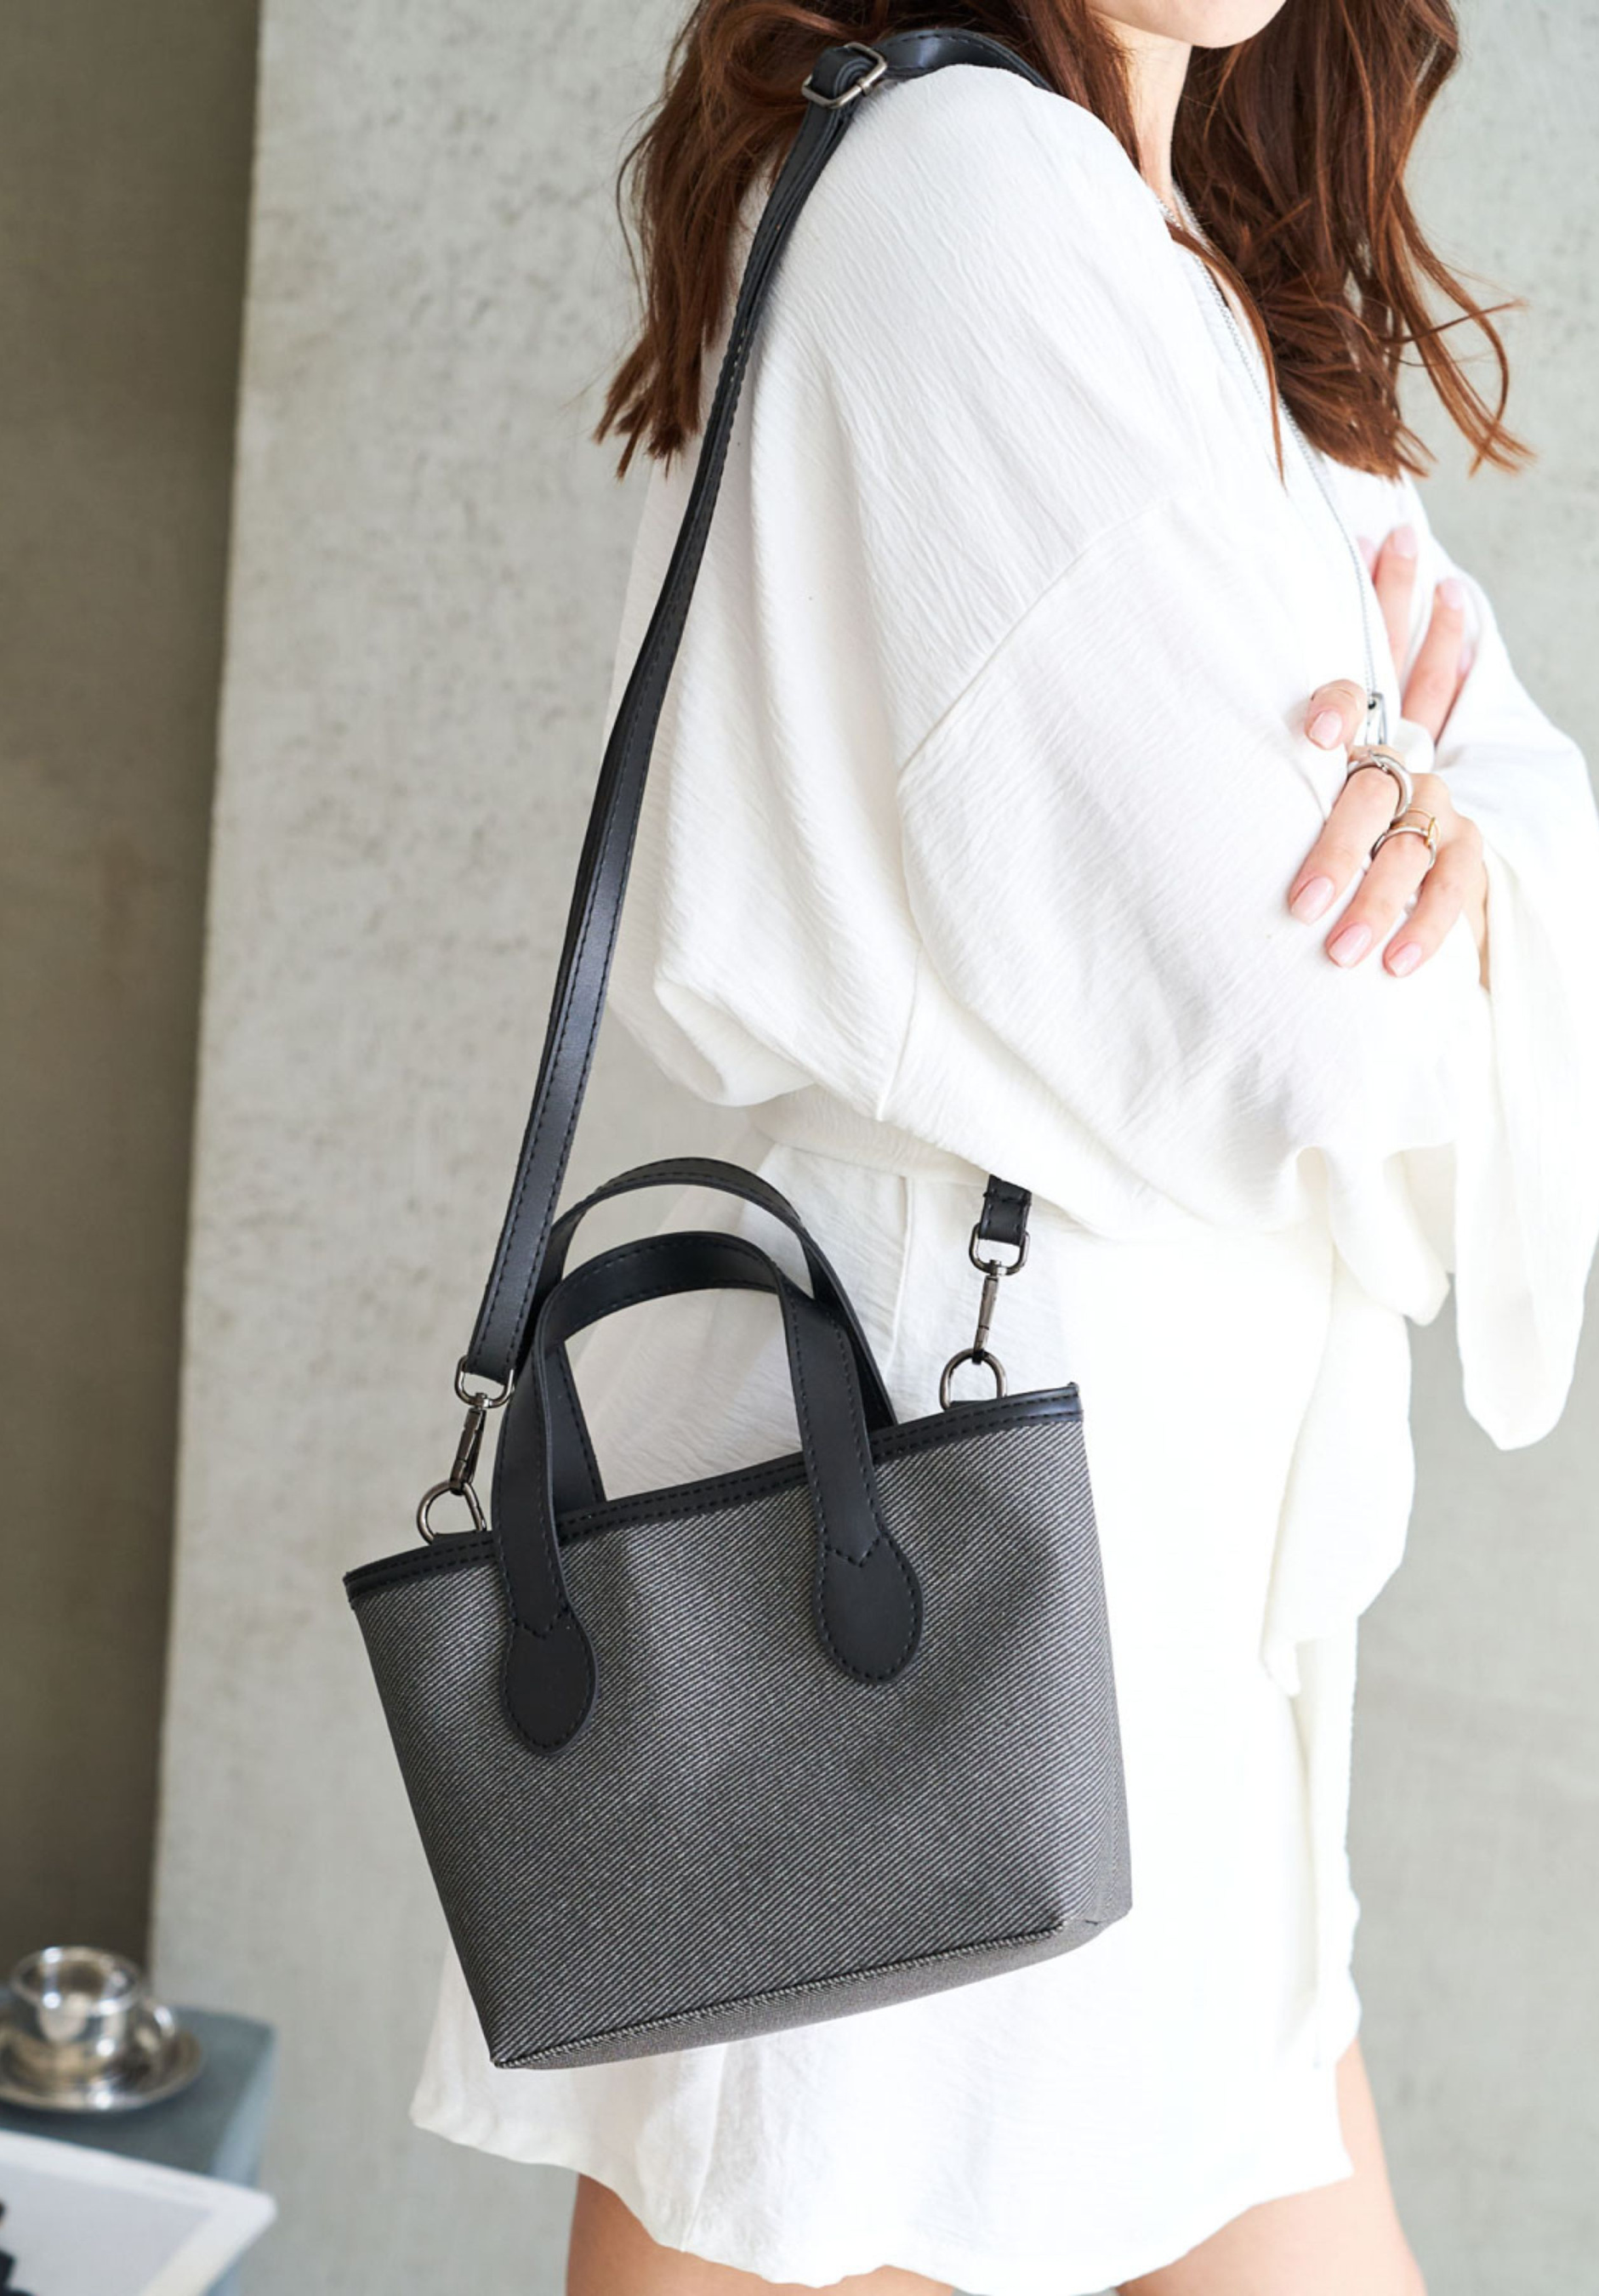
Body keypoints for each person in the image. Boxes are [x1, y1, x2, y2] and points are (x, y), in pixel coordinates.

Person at [412, 3, 1599, 2292]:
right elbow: (1327, 1028)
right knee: (797, 2200)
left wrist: (1462, 834)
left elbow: (1513, 814)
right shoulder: (972, 190)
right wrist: (1437, 828)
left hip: (1137, 1553)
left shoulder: (1199, 262)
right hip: (931, 1542)